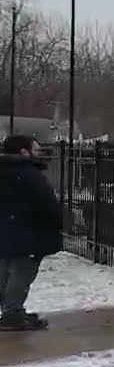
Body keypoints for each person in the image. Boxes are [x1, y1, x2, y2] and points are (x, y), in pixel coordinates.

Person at [0, 134, 62, 330]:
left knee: (5, 273)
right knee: (21, 274)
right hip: (28, 236)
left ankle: (10, 311)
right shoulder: (29, 174)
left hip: (6, 234)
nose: (39, 154)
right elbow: (47, 206)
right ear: (23, 151)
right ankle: (12, 314)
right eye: (35, 150)